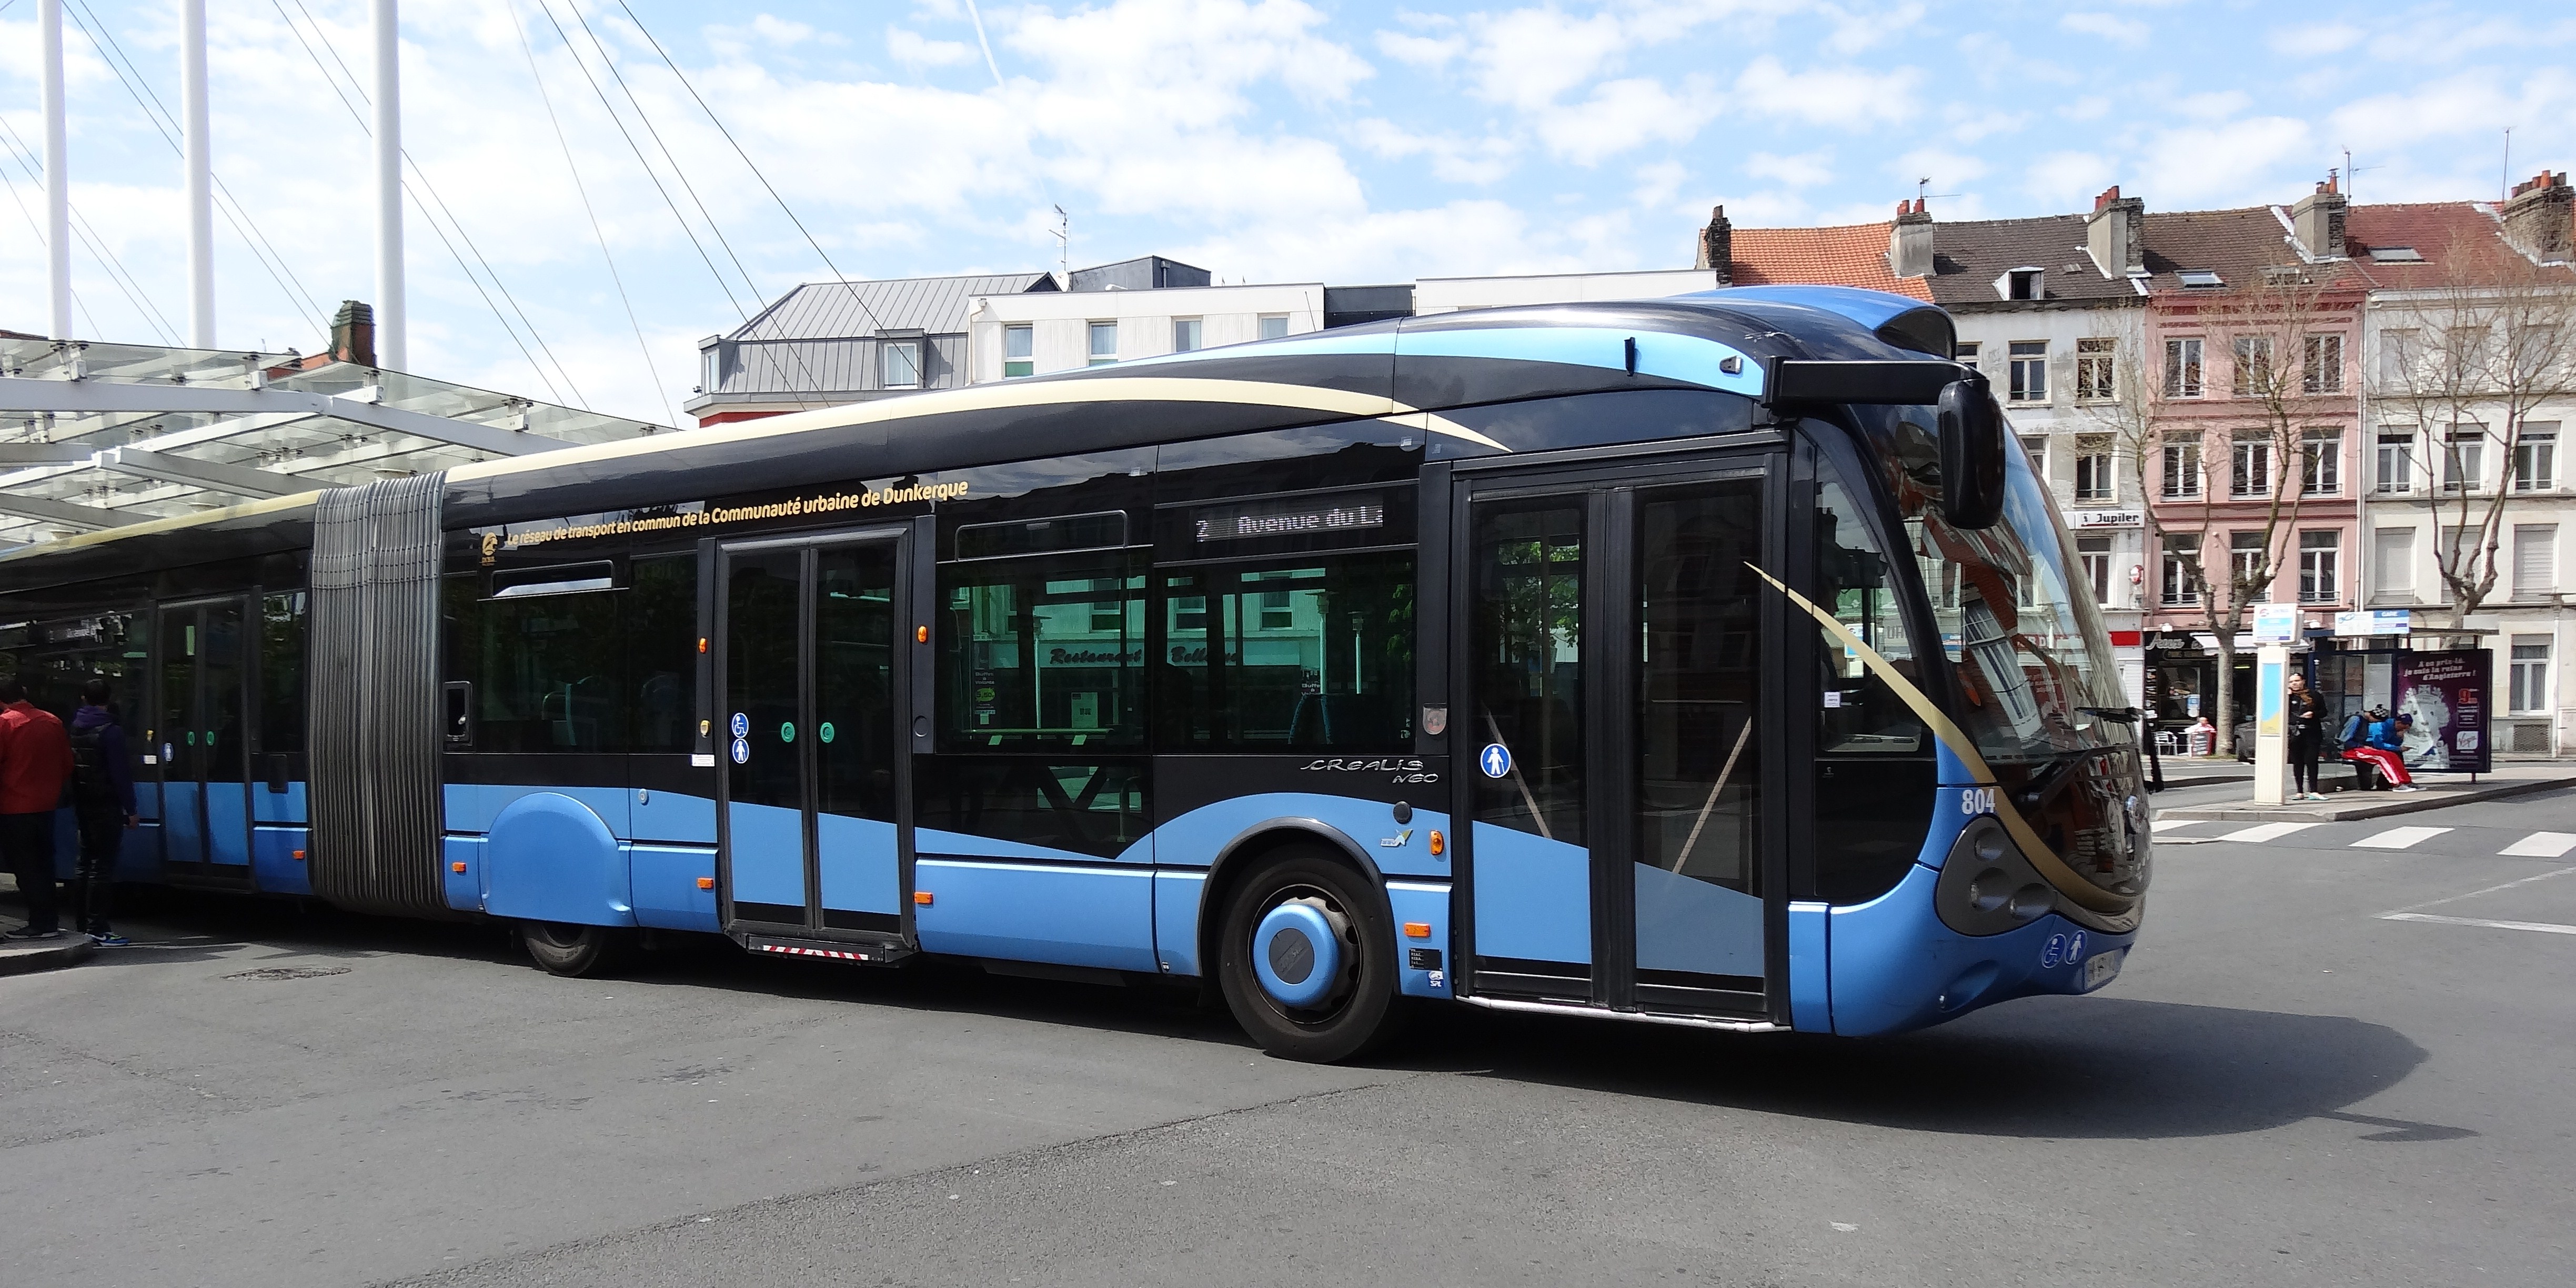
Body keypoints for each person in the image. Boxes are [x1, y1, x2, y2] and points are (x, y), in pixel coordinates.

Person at [0, 677, 75, 940]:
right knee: (44, 864)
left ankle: (40, 923)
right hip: (47, 806)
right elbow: (67, 764)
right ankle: (49, 921)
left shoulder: (5, 723)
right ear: (24, 693)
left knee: (26, 867)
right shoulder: (52, 721)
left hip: (14, 806)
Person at [67, 679, 137, 947]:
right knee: (102, 867)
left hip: (83, 803)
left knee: (84, 863)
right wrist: (131, 810)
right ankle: (98, 928)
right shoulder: (112, 731)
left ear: (84, 698)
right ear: (108, 699)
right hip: (106, 805)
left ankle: (83, 925)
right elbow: (120, 775)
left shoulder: (74, 726)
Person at [2343, 706, 2419, 792]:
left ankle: (2405, 781)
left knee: (2392, 755)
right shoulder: (2357, 720)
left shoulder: (2368, 723)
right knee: (2383, 757)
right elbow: (2345, 740)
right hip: (2354, 749)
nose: (2376, 723)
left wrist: (2399, 739)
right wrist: (2361, 746)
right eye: (2377, 721)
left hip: (2362, 747)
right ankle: (2397, 783)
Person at [2286, 671, 2323, 801]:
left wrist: (2313, 713)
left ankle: (2313, 790)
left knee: (2312, 761)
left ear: (2303, 681)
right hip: (2294, 733)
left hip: (2312, 732)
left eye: (2297, 681)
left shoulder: (2314, 695)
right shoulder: (2287, 696)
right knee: (2298, 762)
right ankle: (2299, 791)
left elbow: (2324, 712)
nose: (2294, 684)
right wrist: (2288, 698)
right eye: (2291, 682)